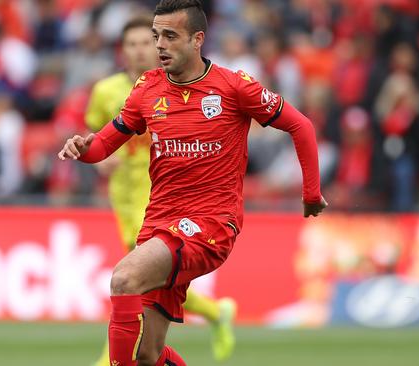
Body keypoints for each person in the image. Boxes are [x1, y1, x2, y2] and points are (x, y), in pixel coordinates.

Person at [58, 1, 328, 365]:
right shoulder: (146, 90)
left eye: (170, 36)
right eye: (157, 36)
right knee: (146, 355)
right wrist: (84, 148)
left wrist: (311, 193)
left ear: (197, 39)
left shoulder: (234, 87)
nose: (160, 46)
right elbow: (106, 143)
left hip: (211, 223)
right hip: (158, 223)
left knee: (124, 278)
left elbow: (301, 125)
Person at [85, 15, 237, 366]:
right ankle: (215, 313)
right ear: (122, 51)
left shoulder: (174, 89)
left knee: (128, 279)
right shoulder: (107, 91)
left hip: (158, 199)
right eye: (133, 44)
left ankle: (112, 360)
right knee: (135, 292)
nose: (140, 50)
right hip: (123, 196)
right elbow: (97, 136)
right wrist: (96, 157)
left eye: (146, 43)